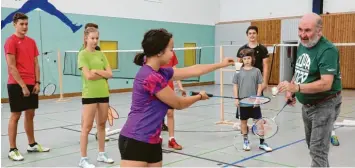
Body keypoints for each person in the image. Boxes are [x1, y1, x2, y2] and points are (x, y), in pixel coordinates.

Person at [118, 28, 234, 167]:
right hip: (135, 139)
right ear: (160, 52)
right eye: (171, 49)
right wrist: (199, 97)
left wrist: (222, 64)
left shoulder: (159, 71)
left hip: (153, 140)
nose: (172, 53)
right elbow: (178, 103)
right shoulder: (151, 77)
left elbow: (193, 70)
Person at [277, 13, 342, 167]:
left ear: (319, 31)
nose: (302, 35)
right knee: (312, 147)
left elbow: (326, 84)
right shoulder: (303, 45)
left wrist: (297, 87)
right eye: (300, 30)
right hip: (307, 105)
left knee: (318, 150)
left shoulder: (328, 50)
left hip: (324, 104)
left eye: (307, 30)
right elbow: (300, 70)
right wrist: (291, 91)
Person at [4, 12, 50, 161]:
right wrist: (23, 86)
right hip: (16, 84)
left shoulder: (31, 42)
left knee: (30, 114)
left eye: (26, 24)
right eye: (21, 24)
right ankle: (12, 149)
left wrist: (37, 82)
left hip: (32, 83)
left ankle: (32, 144)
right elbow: (11, 66)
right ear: (15, 24)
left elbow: (36, 63)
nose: (24, 27)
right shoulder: (10, 41)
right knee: (16, 115)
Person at [77, 27, 114, 168]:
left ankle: (101, 153)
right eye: (92, 38)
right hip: (90, 95)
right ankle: (83, 159)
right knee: (86, 127)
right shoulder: (82, 55)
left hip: (103, 93)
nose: (94, 41)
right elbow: (89, 76)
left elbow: (110, 73)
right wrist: (102, 73)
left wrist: (97, 70)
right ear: (86, 38)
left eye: (96, 38)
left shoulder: (101, 54)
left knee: (101, 125)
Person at [232, 48, 272, 152]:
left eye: (248, 58)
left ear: (252, 59)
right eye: (245, 58)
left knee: (259, 123)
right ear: (242, 60)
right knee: (243, 123)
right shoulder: (238, 72)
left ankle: (262, 143)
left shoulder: (257, 71)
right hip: (242, 103)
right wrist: (236, 98)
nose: (247, 60)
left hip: (254, 102)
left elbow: (259, 86)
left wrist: (257, 98)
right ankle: (245, 141)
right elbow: (235, 86)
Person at [1, 0, 82, 32]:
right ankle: (72, 26)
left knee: (20, 12)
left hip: (40, 2)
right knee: (57, 13)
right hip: (38, 1)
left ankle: (3, 23)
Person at [160, 51, 186, 150]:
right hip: (158, 87)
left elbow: (175, 72)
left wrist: (180, 87)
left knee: (170, 113)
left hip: (169, 88)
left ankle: (171, 139)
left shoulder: (172, 53)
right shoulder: (155, 53)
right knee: (159, 113)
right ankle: (158, 137)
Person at [236, 26, 270, 92]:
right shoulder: (241, 49)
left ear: (257, 34)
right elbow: (238, 65)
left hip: (257, 80)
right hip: (245, 79)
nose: (252, 35)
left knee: (257, 100)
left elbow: (265, 66)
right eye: (250, 33)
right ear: (247, 35)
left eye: (254, 33)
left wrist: (265, 82)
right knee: (244, 99)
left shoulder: (263, 49)